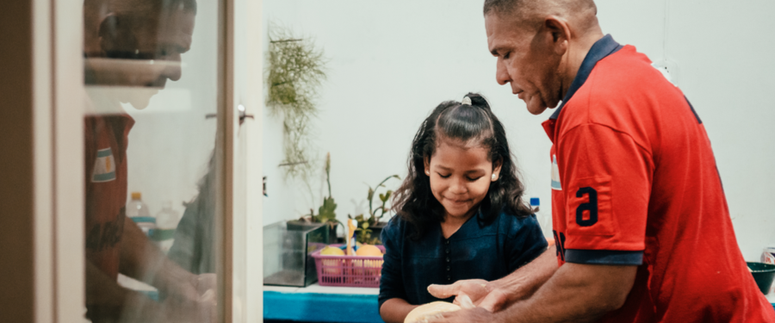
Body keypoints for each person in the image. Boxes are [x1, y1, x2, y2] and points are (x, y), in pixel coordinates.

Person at [426, 1, 775, 322]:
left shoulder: (595, 114)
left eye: (506, 53)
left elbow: (600, 281)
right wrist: (500, 289)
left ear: (555, 35)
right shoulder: (631, 76)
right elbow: (590, 247)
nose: (500, 75)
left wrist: (494, 322)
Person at [83, 0, 215, 322]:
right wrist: (163, 316)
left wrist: (182, 281)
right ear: (111, 34)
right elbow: (48, 260)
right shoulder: (57, 117)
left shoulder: (108, 114)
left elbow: (106, 225)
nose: (176, 71)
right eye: (166, 50)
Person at [379, 93, 548, 323]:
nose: (457, 188)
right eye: (444, 174)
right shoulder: (403, 227)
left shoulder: (517, 227)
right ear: (427, 163)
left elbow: (538, 297)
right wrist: (429, 317)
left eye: (472, 177)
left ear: (495, 167)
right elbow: (388, 300)